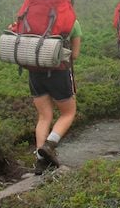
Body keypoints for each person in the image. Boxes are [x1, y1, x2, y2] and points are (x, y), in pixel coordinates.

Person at [31, 18, 82, 173]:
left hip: (34, 71)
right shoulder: (72, 22)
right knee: (68, 113)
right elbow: (75, 55)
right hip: (59, 72)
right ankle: (49, 145)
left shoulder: (34, 20)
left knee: (44, 116)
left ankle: (40, 162)